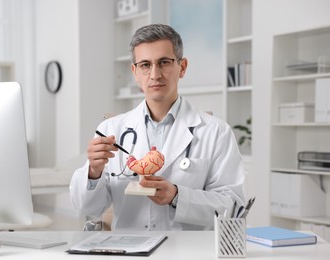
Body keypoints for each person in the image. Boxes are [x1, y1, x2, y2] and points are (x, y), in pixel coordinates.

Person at [70, 24, 245, 231]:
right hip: (129, 246)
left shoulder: (216, 132)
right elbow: (86, 208)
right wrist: (93, 172)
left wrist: (177, 196)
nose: (155, 74)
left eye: (164, 62)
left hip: (188, 250)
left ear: (183, 67)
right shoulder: (111, 130)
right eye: (145, 65)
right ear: (135, 72)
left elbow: (233, 207)